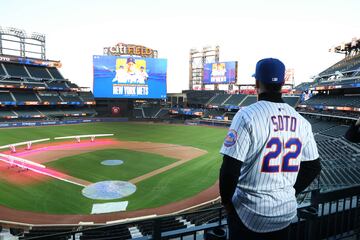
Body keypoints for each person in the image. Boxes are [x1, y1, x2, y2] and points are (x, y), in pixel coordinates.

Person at [219, 58, 321, 240]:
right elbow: (313, 166)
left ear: (257, 83)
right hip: (285, 214)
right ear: (282, 83)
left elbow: (229, 169)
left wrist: (226, 202)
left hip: (249, 214)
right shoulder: (302, 122)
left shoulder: (246, 115)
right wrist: (290, 192)